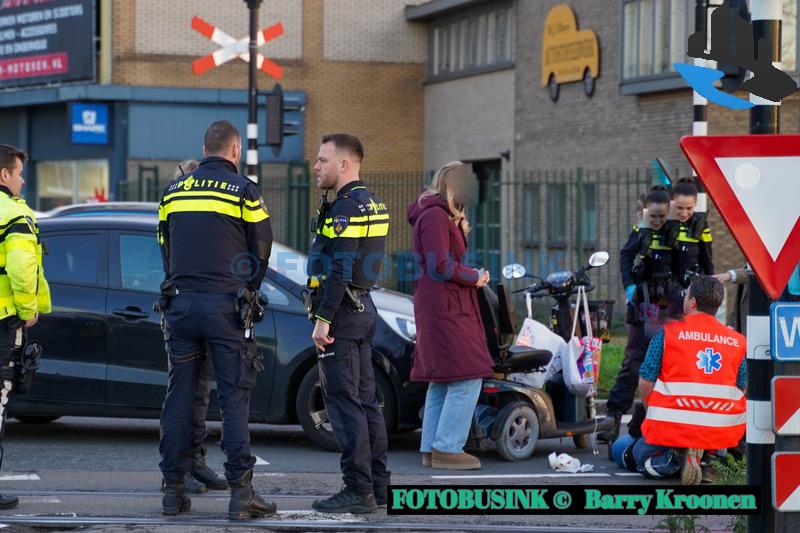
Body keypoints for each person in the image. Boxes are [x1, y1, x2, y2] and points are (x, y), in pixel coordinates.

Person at [157, 121, 275, 519]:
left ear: (204, 147)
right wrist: (249, 288)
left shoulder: (173, 191)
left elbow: (165, 245)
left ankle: (173, 491)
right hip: (225, 307)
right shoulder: (243, 189)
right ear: (236, 149)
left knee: (180, 396)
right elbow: (262, 243)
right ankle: (241, 494)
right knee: (233, 397)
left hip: (181, 305)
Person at [306, 133, 390, 514]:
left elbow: (340, 267)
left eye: (323, 160)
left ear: (345, 164)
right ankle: (379, 484)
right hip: (364, 309)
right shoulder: (373, 204)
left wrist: (323, 318)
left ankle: (358, 489)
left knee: (344, 405)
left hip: (342, 313)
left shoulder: (346, 209)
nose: (316, 167)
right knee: (367, 403)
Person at [406, 161, 493, 470]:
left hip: (443, 305)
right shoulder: (434, 216)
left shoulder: (439, 214)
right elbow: (439, 265)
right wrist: (474, 276)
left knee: (443, 379)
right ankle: (447, 447)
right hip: (446, 308)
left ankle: (432, 448)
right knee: (469, 374)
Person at [632, 276, 746, 484]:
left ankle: (673, 459)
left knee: (630, 451)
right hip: (719, 432)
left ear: (692, 302)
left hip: (672, 427)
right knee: (713, 439)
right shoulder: (737, 341)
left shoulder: (668, 333)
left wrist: (652, 414)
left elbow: (645, 383)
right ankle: (710, 459)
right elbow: (742, 387)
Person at [157, 159, 228, 495]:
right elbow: (169, 261)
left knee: (199, 393)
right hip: (186, 307)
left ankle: (194, 460)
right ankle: (175, 469)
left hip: (197, 309)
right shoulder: (174, 214)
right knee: (182, 395)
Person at [600, 186, 676, 443]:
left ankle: (646, 419)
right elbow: (624, 256)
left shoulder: (676, 233)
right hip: (647, 304)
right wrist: (631, 285)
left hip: (671, 303)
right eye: (650, 216)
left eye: (661, 216)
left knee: (669, 364)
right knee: (635, 360)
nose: (656, 221)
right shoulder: (640, 232)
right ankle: (614, 416)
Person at [0, 144, 51, 510]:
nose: (22, 180)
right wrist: (28, 308)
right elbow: (21, 267)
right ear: (4, 175)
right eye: (19, 173)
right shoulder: (14, 213)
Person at [667, 177, 714, 287]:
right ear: (672, 202)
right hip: (667, 289)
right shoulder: (663, 222)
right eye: (679, 208)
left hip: (692, 286)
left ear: (695, 203)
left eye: (689, 208)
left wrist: (710, 285)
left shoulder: (701, 224)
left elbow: (707, 260)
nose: (684, 213)